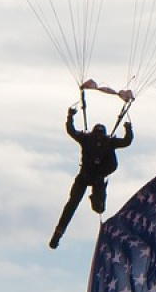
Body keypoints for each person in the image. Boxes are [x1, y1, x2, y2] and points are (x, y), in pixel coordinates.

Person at [49, 106, 133, 249]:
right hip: (87, 176)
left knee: (93, 208)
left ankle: (96, 203)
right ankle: (58, 234)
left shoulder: (96, 140)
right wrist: (128, 128)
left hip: (94, 177)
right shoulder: (93, 139)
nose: (99, 138)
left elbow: (126, 141)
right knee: (73, 204)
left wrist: (70, 117)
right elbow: (126, 141)